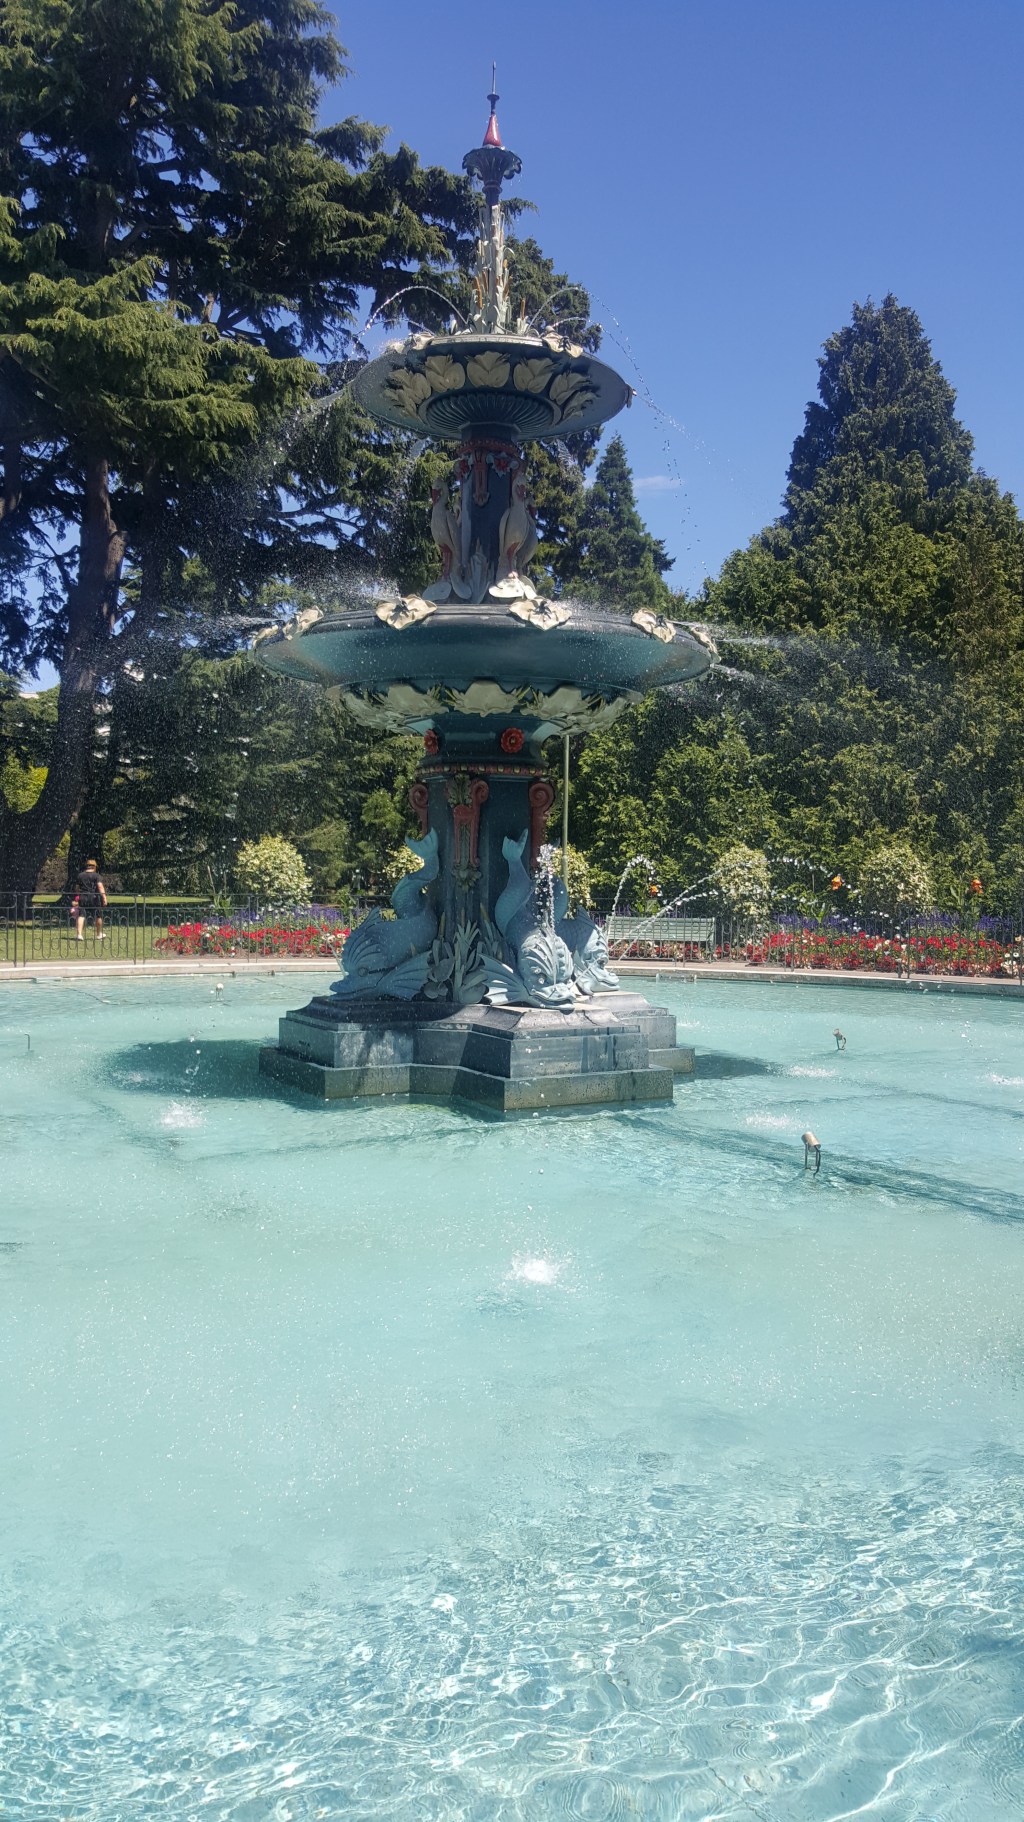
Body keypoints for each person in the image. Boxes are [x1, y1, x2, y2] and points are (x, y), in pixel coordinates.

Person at [74, 860, 107, 941]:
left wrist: (78, 895)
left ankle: (79, 935)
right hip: (94, 898)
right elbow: (100, 887)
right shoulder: (97, 876)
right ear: (94, 867)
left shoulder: (80, 875)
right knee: (98, 916)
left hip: (83, 897)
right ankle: (99, 934)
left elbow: (77, 888)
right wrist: (104, 897)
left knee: (81, 915)